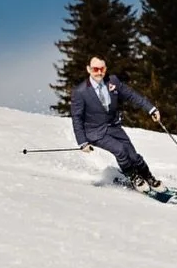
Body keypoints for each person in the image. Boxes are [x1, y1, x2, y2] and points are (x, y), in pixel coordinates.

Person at [69, 55, 165, 193]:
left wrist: (151, 109)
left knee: (133, 155)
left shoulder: (112, 81)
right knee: (120, 150)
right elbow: (76, 118)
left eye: (102, 69)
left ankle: (148, 177)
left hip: (114, 127)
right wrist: (82, 142)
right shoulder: (80, 91)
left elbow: (132, 95)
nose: (99, 72)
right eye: (95, 69)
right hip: (95, 132)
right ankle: (133, 176)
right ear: (89, 69)